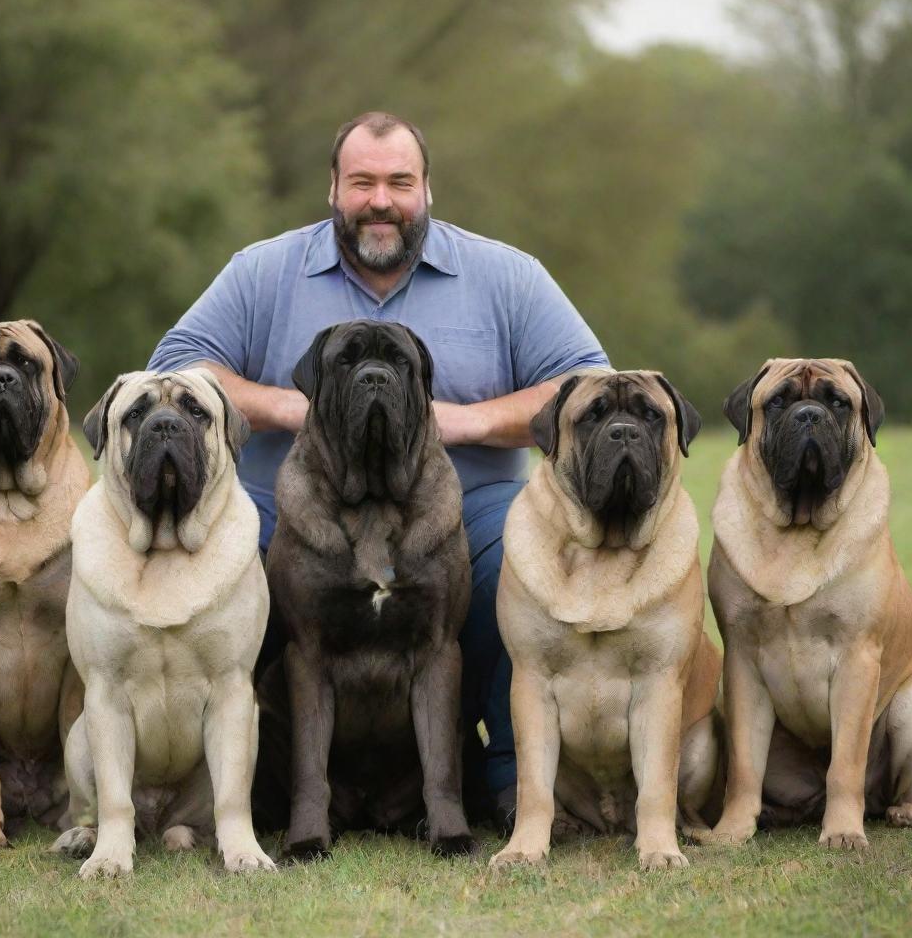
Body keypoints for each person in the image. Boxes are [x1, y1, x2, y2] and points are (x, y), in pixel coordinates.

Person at [148, 111, 609, 830]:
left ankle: (514, 783)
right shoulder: (264, 270)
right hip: (287, 506)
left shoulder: (505, 275)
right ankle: (200, 784)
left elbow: (591, 387)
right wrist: (292, 405)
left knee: (524, 562)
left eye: (400, 181)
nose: (381, 200)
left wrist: (468, 418)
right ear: (333, 188)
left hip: (465, 506)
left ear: (428, 188)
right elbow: (171, 368)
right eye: (362, 182)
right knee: (222, 557)